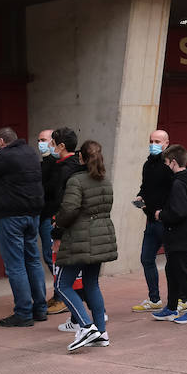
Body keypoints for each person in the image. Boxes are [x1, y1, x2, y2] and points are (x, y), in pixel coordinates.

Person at [0, 127, 47, 327]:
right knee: (33, 261)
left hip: (11, 217)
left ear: (1, 142)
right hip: (32, 214)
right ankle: (40, 308)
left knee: (15, 265)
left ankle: (23, 312)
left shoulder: (4, 155)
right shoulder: (30, 152)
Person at [53, 140, 118, 351]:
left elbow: (69, 210)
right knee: (91, 284)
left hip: (80, 238)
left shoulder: (76, 180)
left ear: (80, 157)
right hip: (102, 237)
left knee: (62, 285)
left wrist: (57, 225)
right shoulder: (105, 180)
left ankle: (86, 326)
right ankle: (101, 332)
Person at [152, 145, 187, 324]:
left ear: (173, 163)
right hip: (182, 234)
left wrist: (161, 215)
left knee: (182, 271)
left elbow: (179, 212)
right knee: (172, 269)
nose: (165, 166)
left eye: (166, 163)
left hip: (180, 235)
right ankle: (172, 307)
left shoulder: (179, 183)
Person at [42, 128, 84, 320]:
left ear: (61, 146)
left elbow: (65, 205)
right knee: (80, 279)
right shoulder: (66, 166)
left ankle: (82, 321)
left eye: (51, 143)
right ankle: (90, 317)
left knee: (67, 280)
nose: (48, 146)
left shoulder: (68, 170)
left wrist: (58, 234)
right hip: (69, 227)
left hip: (67, 229)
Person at [132, 129, 175, 313]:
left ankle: (181, 299)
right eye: (151, 141)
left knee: (173, 262)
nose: (153, 144)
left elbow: (174, 192)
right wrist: (141, 196)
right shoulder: (147, 164)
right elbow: (145, 186)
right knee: (146, 258)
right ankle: (154, 299)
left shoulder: (169, 166)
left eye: (157, 141)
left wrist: (165, 213)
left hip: (165, 221)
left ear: (166, 144)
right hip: (150, 221)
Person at [34, 128, 62, 314]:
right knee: (48, 256)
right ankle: (59, 294)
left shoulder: (58, 164)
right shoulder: (44, 163)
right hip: (43, 215)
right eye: (39, 140)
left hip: (52, 217)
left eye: (44, 140)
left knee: (53, 257)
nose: (40, 143)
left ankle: (62, 296)